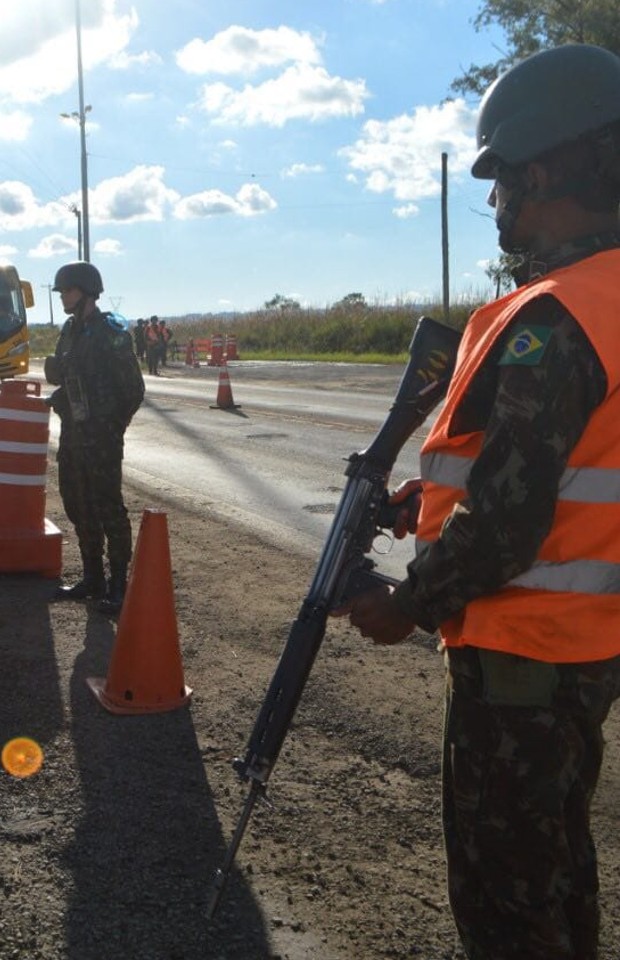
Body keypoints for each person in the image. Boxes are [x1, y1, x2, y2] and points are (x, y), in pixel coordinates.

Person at [336, 44, 620, 960]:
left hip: (520, 660)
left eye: (498, 183)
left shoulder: (552, 318)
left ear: (540, 170)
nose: (494, 205)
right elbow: (565, 468)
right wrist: (427, 496)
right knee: (558, 877)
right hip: (582, 649)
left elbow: (505, 520)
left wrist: (406, 605)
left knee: (508, 911)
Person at [44, 261, 145, 615]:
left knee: (109, 509)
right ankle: (93, 579)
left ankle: (119, 586)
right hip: (73, 435)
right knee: (77, 503)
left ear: (87, 292)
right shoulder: (69, 332)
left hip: (101, 437)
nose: (63, 298)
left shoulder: (111, 331)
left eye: (68, 291)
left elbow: (133, 389)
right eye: (61, 292)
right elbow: (69, 378)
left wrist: (112, 426)